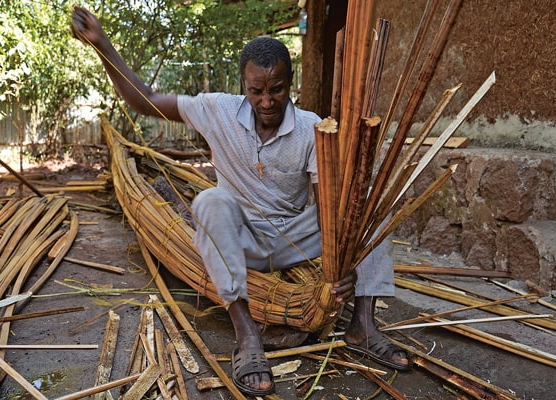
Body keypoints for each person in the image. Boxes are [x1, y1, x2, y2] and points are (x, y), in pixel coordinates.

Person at [71, 6, 409, 396]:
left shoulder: (312, 129)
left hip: (298, 239)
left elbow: (329, 210)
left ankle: (363, 325)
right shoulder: (218, 110)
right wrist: (102, 44)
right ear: (243, 86)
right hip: (242, 241)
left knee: (364, 201)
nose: (267, 101)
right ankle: (246, 333)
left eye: (277, 89)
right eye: (256, 90)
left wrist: (342, 262)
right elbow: (144, 99)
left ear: (291, 82)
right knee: (211, 201)